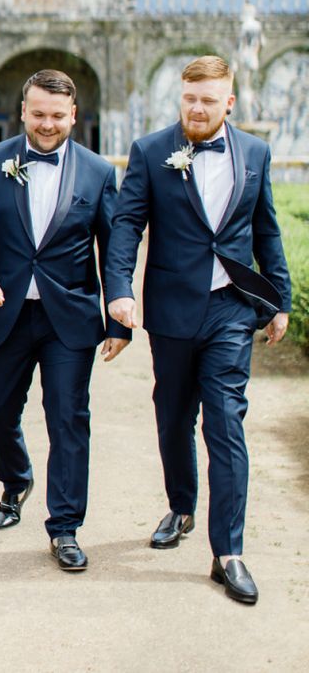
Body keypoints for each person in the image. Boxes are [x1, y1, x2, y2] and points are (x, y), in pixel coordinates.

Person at [106, 55, 291, 604]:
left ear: (229, 102)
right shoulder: (151, 151)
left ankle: (228, 551)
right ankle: (181, 507)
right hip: (171, 309)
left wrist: (276, 300)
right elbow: (126, 226)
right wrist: (119, 289)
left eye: (209, 100)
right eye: (190, 98)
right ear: (180, 96)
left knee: (226, 423)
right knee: (173, 415)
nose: (198, 108)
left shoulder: (255, 152)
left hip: (231, 308)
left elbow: (267, 229)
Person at [0, 69, 131, 571]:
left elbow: (112, 249)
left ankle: (66, 527)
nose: (47, 125)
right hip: (4, 313)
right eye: (38, 114)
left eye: (57, 116)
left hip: (68, 319)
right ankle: (16, 480)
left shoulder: (98, 172)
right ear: (23, 111)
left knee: (69, 420)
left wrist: (117, 318)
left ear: (73, 115)